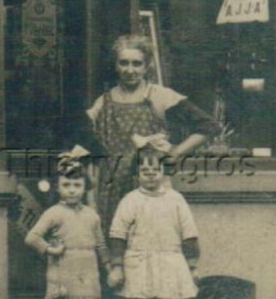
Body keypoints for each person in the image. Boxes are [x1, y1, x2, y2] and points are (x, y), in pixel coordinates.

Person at [86, 33, 217, 232]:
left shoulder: (159, 96)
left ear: (147, 66)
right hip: (110, 187)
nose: (130, 70)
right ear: (115, 65)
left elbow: (209, 126)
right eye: (123, 63)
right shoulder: (104, 101)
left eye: (137, 64)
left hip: (149, 184)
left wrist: (175, 153)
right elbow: (84, 136)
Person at [107, 136, 201, 299]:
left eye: (155, 170)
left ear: (163, 171)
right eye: (144, 170)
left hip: (170, 265)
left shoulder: (176, 200)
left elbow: (189, 234)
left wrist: (192, 267)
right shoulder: (131, 201)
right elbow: (117, 235)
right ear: (137, 174)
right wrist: (117, 266)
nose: (150, 174)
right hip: (139, 265)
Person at [24, 149, 110, 299]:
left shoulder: (92, 215)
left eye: (77, 185)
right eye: (66, 185)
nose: (72, 190)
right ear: (58, 187)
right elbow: (32, 237)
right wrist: (49, 249)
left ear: (84, 187)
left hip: (88, 274)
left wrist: (109, 267)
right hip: (64, 274)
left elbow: (101, 244)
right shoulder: (54, 213)